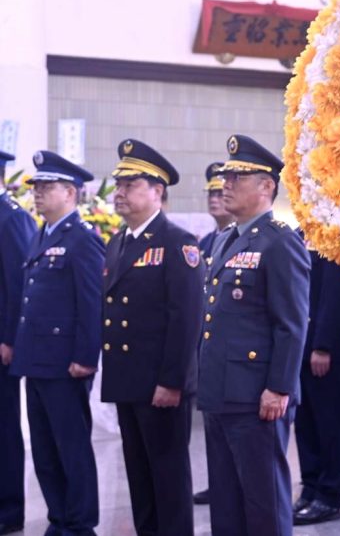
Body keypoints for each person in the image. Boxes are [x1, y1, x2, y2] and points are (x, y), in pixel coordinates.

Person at [197, 135, 310, 536]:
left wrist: (279, 388)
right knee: (226, 500)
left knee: (264, 501)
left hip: (257, 395)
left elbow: (291, 322)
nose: (225, 184)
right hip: (221, 389)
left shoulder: (279, 241)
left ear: (266, 186)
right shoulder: (226, 238)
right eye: (225, 177)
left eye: (237, 177)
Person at [101, 139, 204, 535]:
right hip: (128, 380)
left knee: (168, 479)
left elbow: (185, 319)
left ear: (157, 191)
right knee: (139, 479)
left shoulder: (177, 243)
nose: (120, 193)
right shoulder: (119, 242)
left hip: (161, 384)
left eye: (130, 185)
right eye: (118, 184)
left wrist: (172, 381)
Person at [9, 151, 104, 536]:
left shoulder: (82, 239)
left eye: (47, 187)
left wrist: (86, 357)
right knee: (46, 452)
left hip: (66, 364)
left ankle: (80, 523)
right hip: (37, 361)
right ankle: (59, 518)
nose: (38, 193)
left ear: (70, 192)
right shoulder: (41, 234)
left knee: (71, 448)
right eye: (37, 187)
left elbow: (91, 303)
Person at [293, 254, 340, 524]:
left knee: (329, 424)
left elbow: (334, 294)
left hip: (321, 344)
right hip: (300, 343)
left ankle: (329, 494)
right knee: (305, 424)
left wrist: (323, 345)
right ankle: (310, 486)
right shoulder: (300, 236)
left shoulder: (333, 238)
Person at [193, 161, 235, 506]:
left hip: (234, 352)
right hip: (207, 347)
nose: (214, 198)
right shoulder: (207, 242)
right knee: (212, 424)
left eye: (220, 192)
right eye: (210, 193)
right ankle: (217, 482)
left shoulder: (244, 240)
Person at [0, 150, 37, 535]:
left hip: (1, 344)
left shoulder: (11, 218)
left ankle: (8, 509)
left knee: (4, 428)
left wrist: (10, 339)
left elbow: (18, 284)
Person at [198, 162, 236, 264]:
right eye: (211, 194)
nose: (213, 200)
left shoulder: (240, 238)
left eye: (220, 194)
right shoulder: (204, 242)